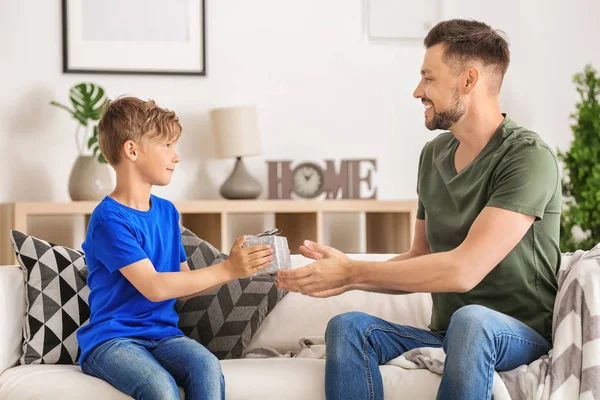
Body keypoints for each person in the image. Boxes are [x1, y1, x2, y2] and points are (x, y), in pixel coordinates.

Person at [277, 19, 561, 400]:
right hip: (447, 331)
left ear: (468, 80)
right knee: (348, 327)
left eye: (428, 78)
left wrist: (353, 270)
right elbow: (420, 256)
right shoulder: (433, 155)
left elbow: (464, 270)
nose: (417, 91)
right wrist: (343, 277)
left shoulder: (527, 157)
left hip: (516, 334)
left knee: (472, 320)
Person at [76, 97, 273, 400]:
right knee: (160, 387)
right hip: (112, 341)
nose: (176, 156)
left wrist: (236, 268)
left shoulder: (167, 212)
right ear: (132, 150)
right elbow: (154, 287)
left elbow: (182, 283)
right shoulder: (108, 219)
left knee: (206, 367)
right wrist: (228, 268)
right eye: (166, 145)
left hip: (164, 335)